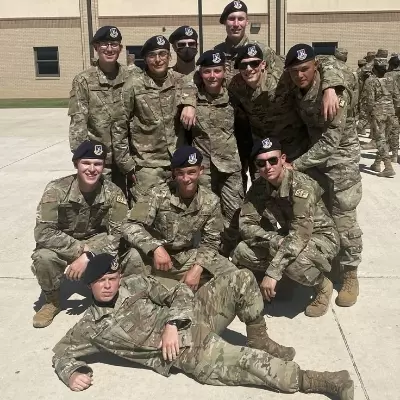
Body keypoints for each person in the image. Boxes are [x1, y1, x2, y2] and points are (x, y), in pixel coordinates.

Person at [52, 253, 354, 400]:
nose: (108, 285)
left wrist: (172, 323)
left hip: (191, 316)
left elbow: (180, 292)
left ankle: (258, 337)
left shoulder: (135, 283)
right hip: (187, 350)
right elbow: (60, 352)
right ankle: (318, 380)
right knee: (248, 363)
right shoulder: (90, 327)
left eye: (112, 278)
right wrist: (71, 373)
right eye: (100, 281)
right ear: (89, 285)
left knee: (241, 278)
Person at [285, 44, 362, 307]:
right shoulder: (297, 87)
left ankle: (350, 274)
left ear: (315, 66)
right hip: (315, 162)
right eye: (294, 71)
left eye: (305, 69)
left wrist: (296, 165)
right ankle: (330, 266)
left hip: (341, 161)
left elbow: (330, 143)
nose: (300, 75)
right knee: (321, 217)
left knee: (344, 219)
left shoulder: (335, 92)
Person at [31, 141, 134, 329]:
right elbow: (43, 232)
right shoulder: (56, 190)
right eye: (86, 163)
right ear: (76, 164)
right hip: (63, 241)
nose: (92, 169)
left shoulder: (113, 192)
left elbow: (119, 232)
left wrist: (89, 255)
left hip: (96, 242)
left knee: (121, 254)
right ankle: (52, 300)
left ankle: (103, 294)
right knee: (43, 257)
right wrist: (80, 250)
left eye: (98, 164)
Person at [232, 138, 340, 317]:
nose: (268, 167)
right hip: (289, 236)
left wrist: (273, 273)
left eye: (272, 160)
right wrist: (275, 240)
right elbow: (246, 224)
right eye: (261, 163)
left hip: (321, 236)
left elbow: (301, 235)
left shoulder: (301, 186)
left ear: (282, 159)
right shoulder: (259, 187)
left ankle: (323, 286)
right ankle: (287, 280)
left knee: (293, 263)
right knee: (242, 251)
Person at [111, 35, 197, 202]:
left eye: (162, 54)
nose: (158, 60)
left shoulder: (180, 81)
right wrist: (126, 164)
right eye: (152, 55)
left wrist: (190, 103)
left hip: (178, 164)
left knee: (177, 211)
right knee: (144, 213)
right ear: (145, 59)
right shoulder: (133, 85)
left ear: (169, 57)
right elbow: (119, 125)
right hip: (147, 167)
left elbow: (193, 85)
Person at [228, 43, 343, 162]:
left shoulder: (283, 77)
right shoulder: (235, 85)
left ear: (263, 64)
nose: (248, 69)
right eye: (243, 65)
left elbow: (324, 61)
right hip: (263, 148)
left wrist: (330, 87)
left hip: (293, 145)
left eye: (254, 63)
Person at [68, 26, 135, 194]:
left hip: (128, 158)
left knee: (127, 202)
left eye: (114, 44)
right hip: (98, 160)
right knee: (99, 203)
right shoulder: (83, 80)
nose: (109, 49)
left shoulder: (132, 77)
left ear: (120, 48)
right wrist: (83, 158)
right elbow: (78, 123)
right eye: (105, 44)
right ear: (96, 47)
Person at [190, 50, 243, 255]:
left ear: (224, 72)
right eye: (207, 71)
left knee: (234, 211)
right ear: (200, 73)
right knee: (206, 212)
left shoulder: (234, 93)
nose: (212, 76)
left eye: (217, 71)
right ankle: (209, 254)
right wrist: (188, 104)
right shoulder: (192, 94)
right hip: (203, 167)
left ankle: (230, 251)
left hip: (230, 165)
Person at [214, 0, 284, 81]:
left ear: (247, 22)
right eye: (231, 19)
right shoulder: (216, 53)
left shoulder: (264, 51)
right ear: (224, 22)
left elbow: (280, 81)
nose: (236, 24)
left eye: (240, 19)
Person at [365, 56, 400, 176]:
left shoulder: (371, 81)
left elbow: (370, 101)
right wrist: (394, 110)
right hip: (390, 112)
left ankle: (388, 166)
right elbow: (397, 97)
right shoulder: (391, 79)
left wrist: (369, 114)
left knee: (380, 139)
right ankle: (376, 163)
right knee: (384, 139)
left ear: (374, 68)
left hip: (378, 113)